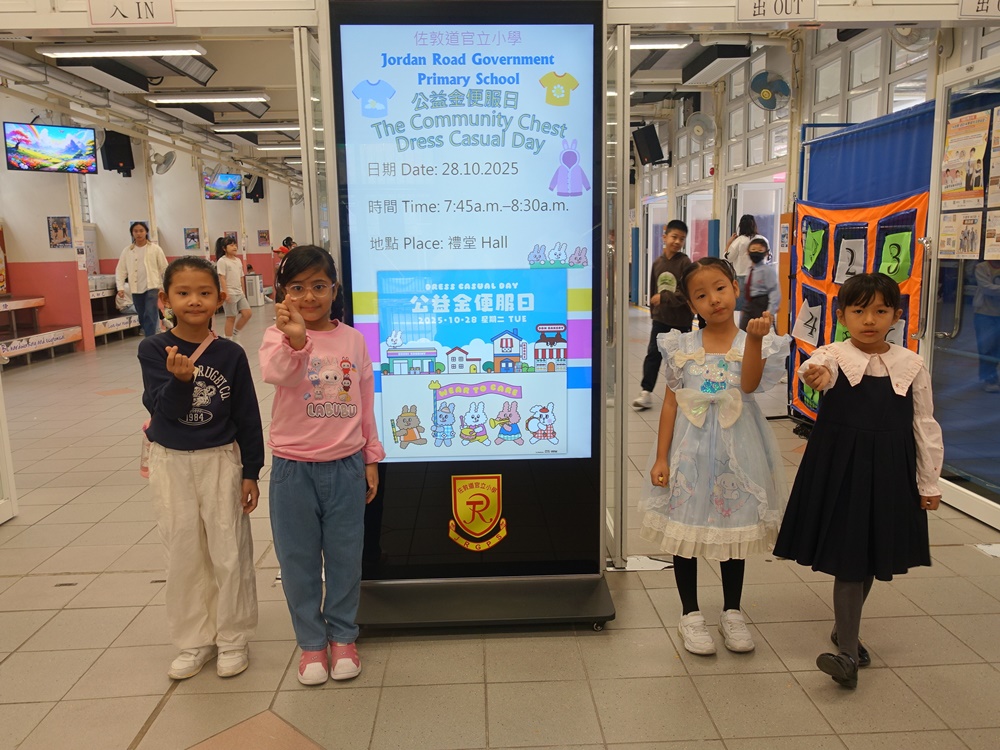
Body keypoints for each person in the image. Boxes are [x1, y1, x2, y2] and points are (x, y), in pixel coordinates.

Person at [773, 273, 943, 690]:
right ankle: (847, 652)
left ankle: (844, 629)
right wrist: (811, 375)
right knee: (851, 556)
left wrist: (929, 483)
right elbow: (816, 369)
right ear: (842, 315)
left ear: (896, 316)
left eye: (880, 311)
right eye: (859, 310)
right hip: (841, 466)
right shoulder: (834, 355)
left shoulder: (911, 363)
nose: (869, 320)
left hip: (891, 467)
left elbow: (924, 424)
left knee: (869, 553)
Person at [640, 257, 790, 655]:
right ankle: (690, 614)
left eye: (720, 288)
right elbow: (670, 403)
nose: (714, 300)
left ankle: (732, 611)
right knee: (684, 530)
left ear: (735, 288)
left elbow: (750, 385)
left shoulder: (752, 341)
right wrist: (661, 457)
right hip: (689, 451)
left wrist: (755, 340)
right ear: (692, 304)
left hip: (737, 450)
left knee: (732, 527)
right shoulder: (682, 346)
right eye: (701, 295)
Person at [259, 245, 384, 686]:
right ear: (283, 293)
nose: (308, 297)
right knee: (298, 560)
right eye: (297, 288)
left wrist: (371, 455)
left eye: (318, 286)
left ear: (334, 288)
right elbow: (278, 374)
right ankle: (312, 643)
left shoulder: (353, 339)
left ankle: (343, 637)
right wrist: (296, 340)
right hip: (292, 468)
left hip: (345, 464)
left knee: (346, 556)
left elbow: (364, 400)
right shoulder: (276, 336)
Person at [138, 256, 264, 680]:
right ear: (165, 299)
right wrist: (180, 382)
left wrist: (251, 470)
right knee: (183, 552)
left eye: (204, 293)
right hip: (171, 462)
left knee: (229, 551)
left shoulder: (231, 353)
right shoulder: (154, 350)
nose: (194, 300)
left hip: (219, 460)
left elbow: (247, 415)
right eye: (184, 293)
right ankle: (194, 641)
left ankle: (232, 638)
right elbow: (163, 411)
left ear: (220, 298)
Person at [632, 219, 693, 410]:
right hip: (661, 319)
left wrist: (664, 297)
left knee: (680, 358)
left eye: (682, 238)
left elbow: (685, 293)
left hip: (681, 321)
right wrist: (654, 313)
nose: (677, 241)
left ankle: (684, 392)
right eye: (674, 237)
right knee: (653, 354)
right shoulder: (658, 263)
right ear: (664, 237)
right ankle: (646, 392)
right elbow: (653, 290)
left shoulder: (685, 263)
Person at [116, 221, 168, 337]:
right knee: (142, 315)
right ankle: (149, 334)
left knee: (150, 312)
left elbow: (164, 268)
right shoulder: (127, 251)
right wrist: (120, 287)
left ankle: (150, 338)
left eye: (141, 231)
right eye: (135, 231)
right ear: (132, 233)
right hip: (135, 288)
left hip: (152, 286)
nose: (138, 233)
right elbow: (121, 270)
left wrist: (166, 286)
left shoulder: (155, 249)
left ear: (146, 232)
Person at [738, 235, 780, 331]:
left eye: (760, 250)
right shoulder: (750, 270)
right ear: (748, 252)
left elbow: (774, 291)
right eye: (753, 249)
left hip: (761, 305)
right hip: (749, 305)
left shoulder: (768, 271)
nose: (756, 252)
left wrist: (770, 312)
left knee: (763, 332)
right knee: (743, 332)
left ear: (766, 253)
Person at [215, 237, 252, 340]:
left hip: (239, 292)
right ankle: (228, 339)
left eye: (235, 245)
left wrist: (243, 291)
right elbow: (222, 278)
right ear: (224, 248)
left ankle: (235, 333)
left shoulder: (238, 260)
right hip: (230, 292)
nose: (234, 247)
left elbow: (241, 277)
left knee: (247, 313)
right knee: (231, 317)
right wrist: (225, 293)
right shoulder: (222, 261)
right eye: (231, 245)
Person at [973, 261, 1000, 392]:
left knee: (997, 348)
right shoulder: (981, 267)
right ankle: (989, 379)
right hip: (984, 313)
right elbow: (986, 288)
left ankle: (993, 377)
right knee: (986, 348)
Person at [725, 214, 758, 312]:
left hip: (742, 277)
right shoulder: (761, 240)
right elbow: (768, 257)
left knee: (740, 308)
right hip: (759, 277)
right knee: (755, 306)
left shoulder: (739, 241)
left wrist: (728, 243)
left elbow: (728, 258)